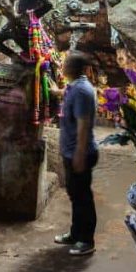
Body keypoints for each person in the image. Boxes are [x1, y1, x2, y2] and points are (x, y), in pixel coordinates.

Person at [50, 52, 98, 256]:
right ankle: (75, 233)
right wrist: (56, 91)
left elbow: (83, 125)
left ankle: (86, 240)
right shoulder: (75, 86)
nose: (62, 65)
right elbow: (66, 93)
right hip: (72, 152)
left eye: (65, 63)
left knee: (82, 198)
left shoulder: (82, 91)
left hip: (81, 153)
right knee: (75, 195)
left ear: (71, 68)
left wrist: (79, 154)